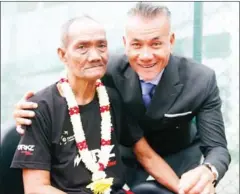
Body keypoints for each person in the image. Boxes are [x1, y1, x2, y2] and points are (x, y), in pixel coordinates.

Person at [13, 2, 231, 194]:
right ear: (125, 43)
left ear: (171, 41)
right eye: (136, 44)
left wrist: (207, 172)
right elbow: (74, 78)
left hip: (177, 160)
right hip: (123, 164)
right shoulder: (106, 70)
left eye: (156, 43)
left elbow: (217, 148)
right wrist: (32, 109)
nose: (146, 56)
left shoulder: (200, 79)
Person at [11, 16, 135, 194]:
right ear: (63, 55)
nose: (94, 56)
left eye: (101, 45)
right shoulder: (38, 109)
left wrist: (182, 187)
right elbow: (36, 188)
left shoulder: (112, 97)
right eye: (82, 47)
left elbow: (146, 155)